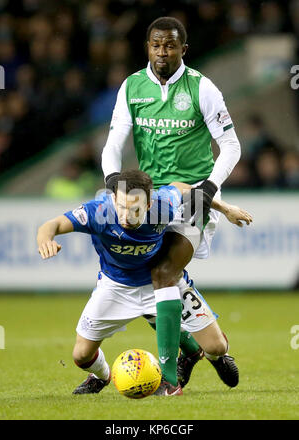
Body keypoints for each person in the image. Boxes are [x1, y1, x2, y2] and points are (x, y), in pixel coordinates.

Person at [101, 17, 242, 391]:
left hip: (194, 195)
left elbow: (231, 145)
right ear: (147, 47)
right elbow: (114, 142)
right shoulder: (132, 87)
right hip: (149, 199)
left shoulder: (202, 87)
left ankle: (167, 378)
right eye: (156, 45)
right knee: (141, 273)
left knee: (162, 272)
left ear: (184, 49)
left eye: (170, 45)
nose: (162, 52)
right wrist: (113, 182)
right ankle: (200, 349)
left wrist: (210, 189)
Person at [37, 170, 252, 396]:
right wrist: (45, 239)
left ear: (149, 204)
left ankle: (178, 371)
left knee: (216, 347)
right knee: (81, 356)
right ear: (113, 199)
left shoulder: (163, 205)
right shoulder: (98, 211)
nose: (126, 216)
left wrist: (226, 209)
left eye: (135, 209)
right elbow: (52, 224)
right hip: (115, 287)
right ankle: (101, 376)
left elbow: (185, 189)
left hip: (160, 283)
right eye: (121, 206)